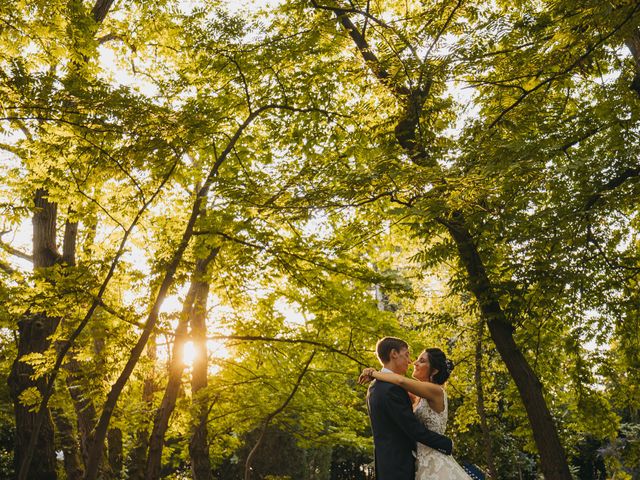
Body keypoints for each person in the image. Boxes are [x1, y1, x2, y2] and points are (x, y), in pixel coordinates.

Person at [359, 344, 473, 479]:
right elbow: (395, 388)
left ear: (434, 371)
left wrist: (373, 373)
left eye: (422, 361)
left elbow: (400, 380)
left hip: (433, 458)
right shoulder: (417, 395)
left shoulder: (436, 391)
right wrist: (376, 373)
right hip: (418, 461)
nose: (414, 363)